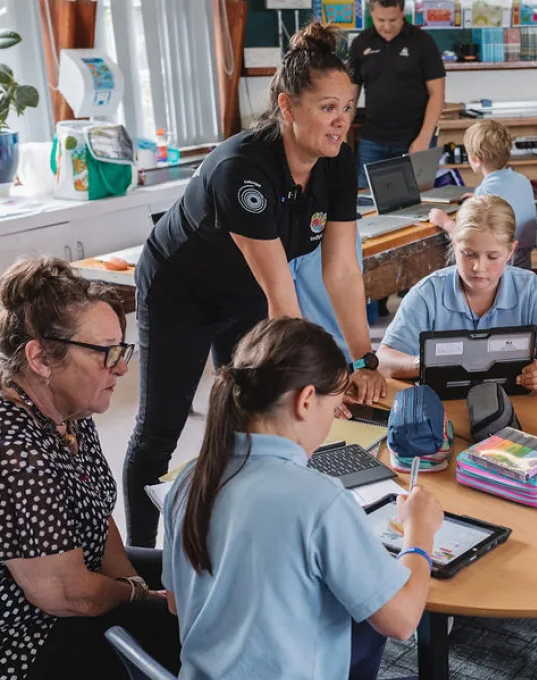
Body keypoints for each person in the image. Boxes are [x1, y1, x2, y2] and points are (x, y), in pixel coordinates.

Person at [125, 23, 387, 548]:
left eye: (348, 107)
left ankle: (235, 533)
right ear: (288, 108)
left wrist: (364, 361)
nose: (341, 122)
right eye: (327, 107)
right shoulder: (243, 169)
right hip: (180, 290)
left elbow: (342, 271)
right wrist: (329, 377)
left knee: (253, 418)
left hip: (244, 289)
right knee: (161, 430)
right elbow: (281, 299)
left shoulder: (337, 161)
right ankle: (142, 559)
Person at [0, 258, 180, 680]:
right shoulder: (6, 451)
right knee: (185, 623)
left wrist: (136, 585)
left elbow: (95, 513)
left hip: (39, 590)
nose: (121, 367)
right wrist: (145, 600)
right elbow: (69, 596)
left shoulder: (66, 408)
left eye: (122, 349)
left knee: (190, 572)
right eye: (106, 353)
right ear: (40, 358)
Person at [163, 317, 444, 679]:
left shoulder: (189, 480)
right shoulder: (319, 501)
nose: (329, 423)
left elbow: (175, 604)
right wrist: (419, 533)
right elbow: (403, 621)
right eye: (333, 409)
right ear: (306, 401)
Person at [377, 195, 537, 389]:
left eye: (492, 256)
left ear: (510, 251)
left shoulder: (532, 289)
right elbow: (383, 359)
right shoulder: (426, 293)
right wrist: (423, 364)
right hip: (444, 407)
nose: (478, 267)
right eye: (468, 254)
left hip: (515, 403)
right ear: (455, 244)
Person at [350, 0, 446, 188]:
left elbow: (437, 94)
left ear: (403, 13)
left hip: (415, 140)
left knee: (419, 204)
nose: (386, 27)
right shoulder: (360, 43)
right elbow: (350, 95)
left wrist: (424, 138)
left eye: (393, 20)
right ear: (371, 14)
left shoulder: (423, 42)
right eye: (380, 20)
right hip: (372, 142)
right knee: (365, 203)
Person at [428, 119, 537, 269]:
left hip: (500, 270)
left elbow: (469, 239)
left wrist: (444, 221)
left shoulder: (485, 193)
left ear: (475, 159)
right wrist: (478, 200)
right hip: (524, 264)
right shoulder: (523, 181)